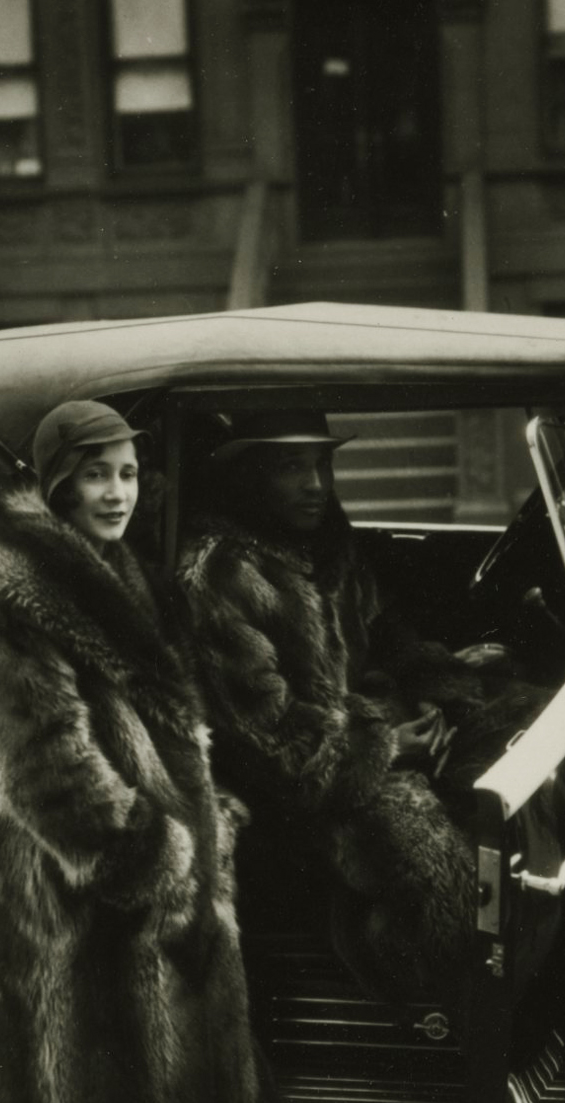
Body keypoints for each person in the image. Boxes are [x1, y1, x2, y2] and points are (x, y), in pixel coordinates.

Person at [0, 399, 270, 1103]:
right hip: (74, 910)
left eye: (128, 475)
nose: (117, 493)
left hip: (148, 895)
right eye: (97, 475)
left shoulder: (125, 577)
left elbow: (163, 729)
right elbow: (44, 767)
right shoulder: (17, 596)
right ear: (58, 481)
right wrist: (160, 862)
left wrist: (207, 816)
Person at [174, 409, 498, 1007]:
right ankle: (402, 986)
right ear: (250, 475)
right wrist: (387, 745)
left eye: (322, 463)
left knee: (510, 740)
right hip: (295, 797)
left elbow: (389, 636)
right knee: (442, 868)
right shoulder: (220, 571)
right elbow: (265, 741)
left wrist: (442, 699)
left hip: (369, 738)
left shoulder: (326, 544)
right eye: (292, 467)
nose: (316, 484)